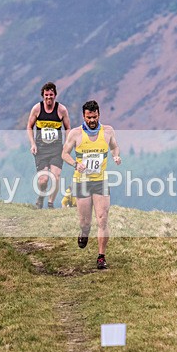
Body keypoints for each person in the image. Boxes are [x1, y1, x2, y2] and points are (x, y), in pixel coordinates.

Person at [61, 100, 122, 269]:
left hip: (100, 181)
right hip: (82, 182)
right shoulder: (75, 134)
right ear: (84, 116)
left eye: (94, 117)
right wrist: (75, 164)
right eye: (89, 117)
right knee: (85, 222)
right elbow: (64, 154)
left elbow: (115, 147)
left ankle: (101, 256)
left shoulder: (108, 131)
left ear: (99, 115)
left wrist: (116, 156)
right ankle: (84, 232)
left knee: (102, 219)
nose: (92, 120)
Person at [27, 82, 71, 208]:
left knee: (56, 176)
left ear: (55, 95)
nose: (49, 97)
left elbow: (68, 128)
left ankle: (51, 203)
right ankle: (41, 197)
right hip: (41, 149)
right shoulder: (37, 109)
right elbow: (29, 127)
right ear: (43, 96)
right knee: (43, 179)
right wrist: (33, 144)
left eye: (51, 95)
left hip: (56, 149)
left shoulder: (61, 110)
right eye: (46, 95)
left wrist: (66, 145)